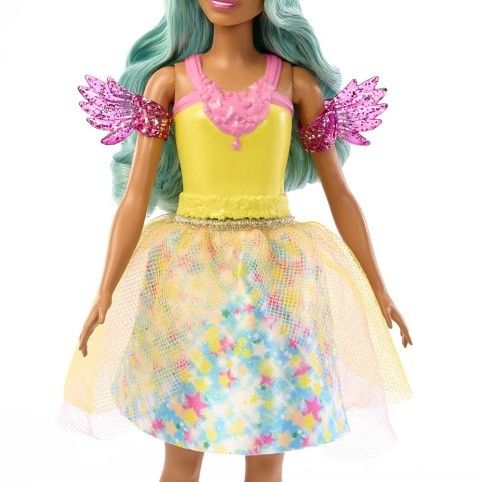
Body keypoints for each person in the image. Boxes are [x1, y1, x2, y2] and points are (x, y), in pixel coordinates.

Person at [58, 1, 413, 481]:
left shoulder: (297, 84)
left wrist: (379, 287)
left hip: (274, 282)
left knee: (267, 446)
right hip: (189, 280)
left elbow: (341, 196)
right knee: (183, 450)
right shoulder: (168, 82)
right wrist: (106, 289)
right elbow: (135, 197)